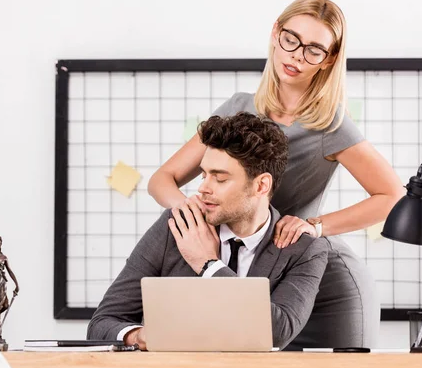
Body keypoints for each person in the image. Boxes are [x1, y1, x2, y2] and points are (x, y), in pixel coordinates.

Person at [147, 0, 405, 349]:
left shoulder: (330, 125)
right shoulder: (238, 109)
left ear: (329, 59)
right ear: (275, 33)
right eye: (291, 39)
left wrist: (316, 226)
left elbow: (392, 196)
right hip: (253, 275)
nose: (297, 55)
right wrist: (191, 216)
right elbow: (162, 180)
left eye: (314, 49)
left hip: (319, 280)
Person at [88, 112, 329, 350]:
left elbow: (277, 332)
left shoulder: (304, 250)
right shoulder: (177, 225)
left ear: (261, 185)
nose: (202, 188)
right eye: (204, 175)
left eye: (220, 179)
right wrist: (137, 336)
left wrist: (209, 265)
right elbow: (101, 324)